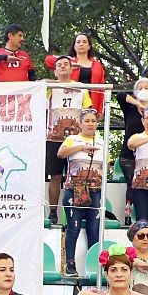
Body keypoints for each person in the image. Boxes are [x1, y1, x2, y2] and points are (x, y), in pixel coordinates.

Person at [57, 108, 105, 278]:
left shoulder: (101, 141)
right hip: (74, 189)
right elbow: (60, 153)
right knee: (73, 227)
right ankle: (70, 265)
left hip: (95, 190)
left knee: (94, 229)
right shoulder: (72, 139)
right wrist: (81, 147)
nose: (90, 124)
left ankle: (94, 266)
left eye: (93, 121)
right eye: (87, 121)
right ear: (80, 123)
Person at [45, 57, 86, 221]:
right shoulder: (50, 87)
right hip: (54, 138)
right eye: (59, 65)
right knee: (55, 176)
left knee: (77, 176)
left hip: (75, 139)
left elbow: (88, 110)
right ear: (55, 71)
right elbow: (40, 84)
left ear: (71, 69)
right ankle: (53, 211)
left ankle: (77, 211)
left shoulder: (82, 88)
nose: (62, 67)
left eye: (65, 65)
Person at [45, 33, 107, 115]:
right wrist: (70, 63)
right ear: (74, 46)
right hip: (71, 100)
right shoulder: (69, 62)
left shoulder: (97, 65)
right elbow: (48, 60)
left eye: (84, 42)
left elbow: (101, 87)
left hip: (91, 102)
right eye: (78, 42)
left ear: (89, 46)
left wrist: (100, 110)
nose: (81, 44)